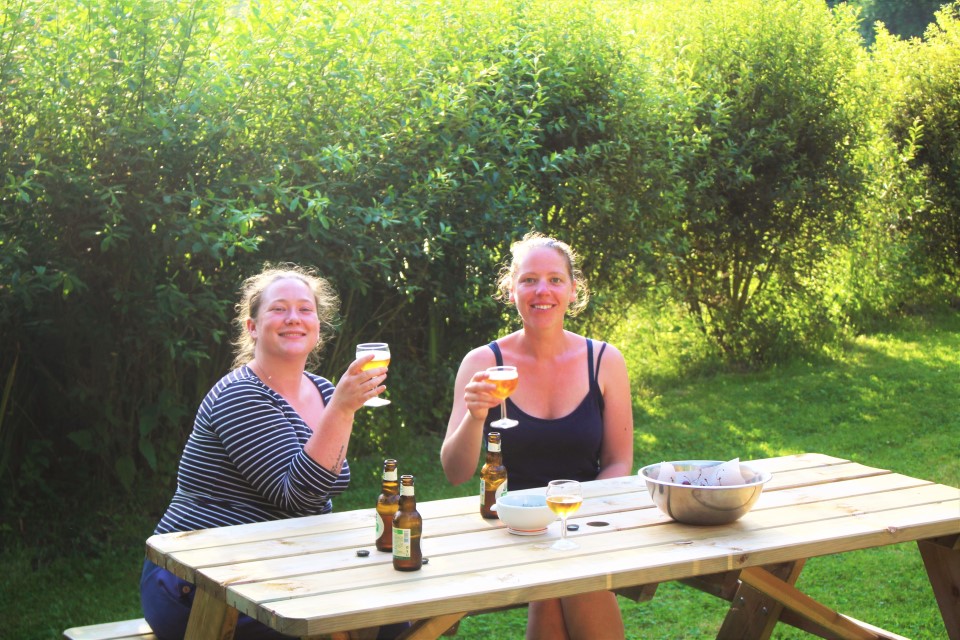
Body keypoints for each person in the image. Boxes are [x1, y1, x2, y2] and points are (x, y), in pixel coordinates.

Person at [140, 263, 396, 640]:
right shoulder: (241, 395)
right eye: (278, 309)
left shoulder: (324, 390)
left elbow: (329, 479)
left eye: (305, 309)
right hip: (198, 584)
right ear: (252, 327)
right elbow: (298, 495)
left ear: (318, 327)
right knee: (339, 630)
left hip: (278, 568)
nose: (294, 318)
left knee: (393, 619)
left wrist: (339, 405)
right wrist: (343, 409)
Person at [440, 232, 634, 640]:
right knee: (573, 576)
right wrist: (476, 417)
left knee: (566, 576)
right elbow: (455, 472)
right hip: (508, 525)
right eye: (528, 280)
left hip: (581, 521)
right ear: (512, 291)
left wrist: (569, 519)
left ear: (573, 290)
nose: (541, 290)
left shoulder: (604, 361)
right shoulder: (483, 362)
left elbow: (618, 462)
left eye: (554, 280)